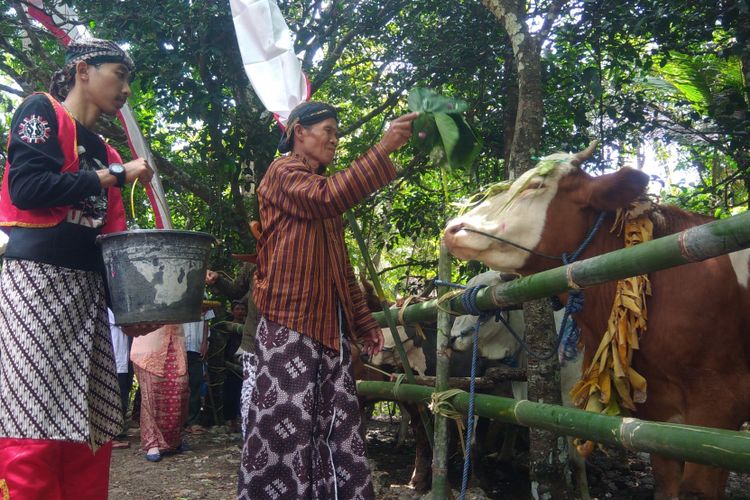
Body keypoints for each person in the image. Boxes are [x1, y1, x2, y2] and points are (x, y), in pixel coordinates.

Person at [237, 101, 417, 499]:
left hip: (327, 326)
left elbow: (341, 267)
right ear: (299, 131)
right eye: (328, 131)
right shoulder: (283, 171)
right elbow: (327, 196)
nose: (335, 140)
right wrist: (383, 148)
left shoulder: (322, 190)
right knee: (286, 419)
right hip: (288, 320)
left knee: (328, 421)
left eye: (337, 133)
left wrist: (364, 321)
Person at [0, 38, 155, 498]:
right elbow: (27, 186)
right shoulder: (41, 111)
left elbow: (109, 243)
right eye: (119, 75)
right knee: (31, 414)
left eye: (129, 79)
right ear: (83, 70)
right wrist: (118, 175)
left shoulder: (106, 151)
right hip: (35, 283)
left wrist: (130, 312)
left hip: (86, 295)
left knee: (89, 418)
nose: (125, 88)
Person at [206, 262, 259, 439]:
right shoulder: (252, 266)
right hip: (251, 341)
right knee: (248, 390)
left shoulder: (294, 259)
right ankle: (250, 440)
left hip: (282, 339)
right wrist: (217, 279)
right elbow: (235, 290)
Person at [130, 324, 189, 462]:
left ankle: (175, 441)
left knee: (179, 391)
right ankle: (152, 443)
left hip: (175, 343)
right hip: (149, 346)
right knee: (151, 395)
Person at [183, 307, 215, 434]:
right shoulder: (175, 291)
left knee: (195, 385)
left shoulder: (203, 295)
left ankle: (193, 422)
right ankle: (179, 422)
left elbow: (206, 321)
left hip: (196, 348)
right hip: (180, 346)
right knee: (179, 386)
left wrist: (205, 343)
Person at [109, 308, 134, 449]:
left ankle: (118, 431)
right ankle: (112, 435)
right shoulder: (110, 309)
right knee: (114, 396)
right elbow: (124, 324)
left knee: (123, 394)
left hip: (123, 359)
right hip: (115, 359)